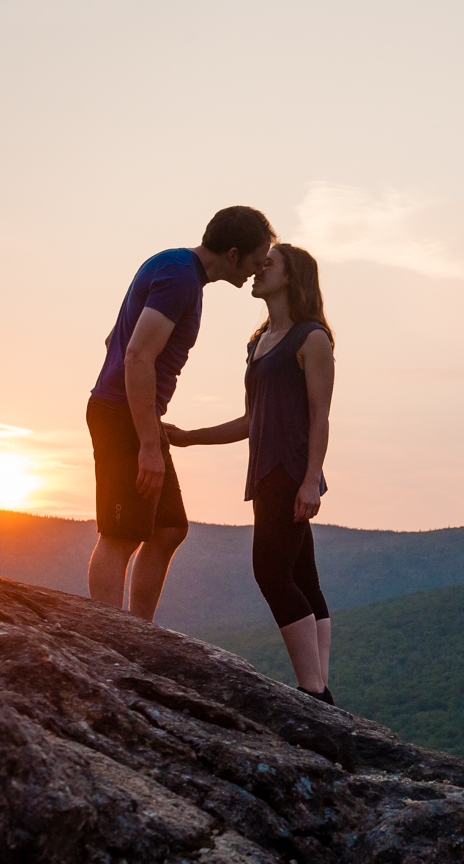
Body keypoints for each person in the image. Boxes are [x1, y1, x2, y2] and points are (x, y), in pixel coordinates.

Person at [85, 206, 275, 622]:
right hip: (122, 416)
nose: (258, 268)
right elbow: (137, 354)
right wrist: (148, 444)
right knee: (120, 534)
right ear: (232, 253)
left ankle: (138, 631)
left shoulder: (173, 265)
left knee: (169, 527)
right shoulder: (181, 278)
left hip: (132, 414)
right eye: (258, 257)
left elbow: (115, 341)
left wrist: (149, 424)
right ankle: (105, 640)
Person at [166, 245, 336, 704]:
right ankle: (322, 690)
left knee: (271, 572)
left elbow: (320, 417)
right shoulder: (258, 341)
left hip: (291, 471)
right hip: (264, 472)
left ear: (292, 278)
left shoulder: (312, 338)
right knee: (303, 578)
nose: (259, 270)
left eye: (270, 264)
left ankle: (313, 692)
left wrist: (308, 480)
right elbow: (250, 420)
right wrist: (188, 436)